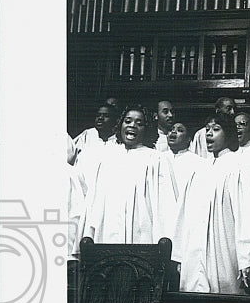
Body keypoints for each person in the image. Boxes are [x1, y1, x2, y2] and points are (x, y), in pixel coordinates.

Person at [178, 113, 250, 294]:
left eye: (216, 129)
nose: (209, 134)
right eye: (207, 130)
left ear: (227, 133)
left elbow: (249, 215)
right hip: (195, 253)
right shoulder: (199, 170)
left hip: (224, 250)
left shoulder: (239, 167)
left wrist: (249, 258)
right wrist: (181, 256)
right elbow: (185, 217)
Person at [75, 103, 178, 254]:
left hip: (143, 238)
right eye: (128, 121)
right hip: (106, 238)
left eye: (139, 123)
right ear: (120, 125)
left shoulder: (156, 160)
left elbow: (166, 206)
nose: (132, 126)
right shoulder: (107, 159)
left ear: (147, 128)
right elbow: (93, 203)